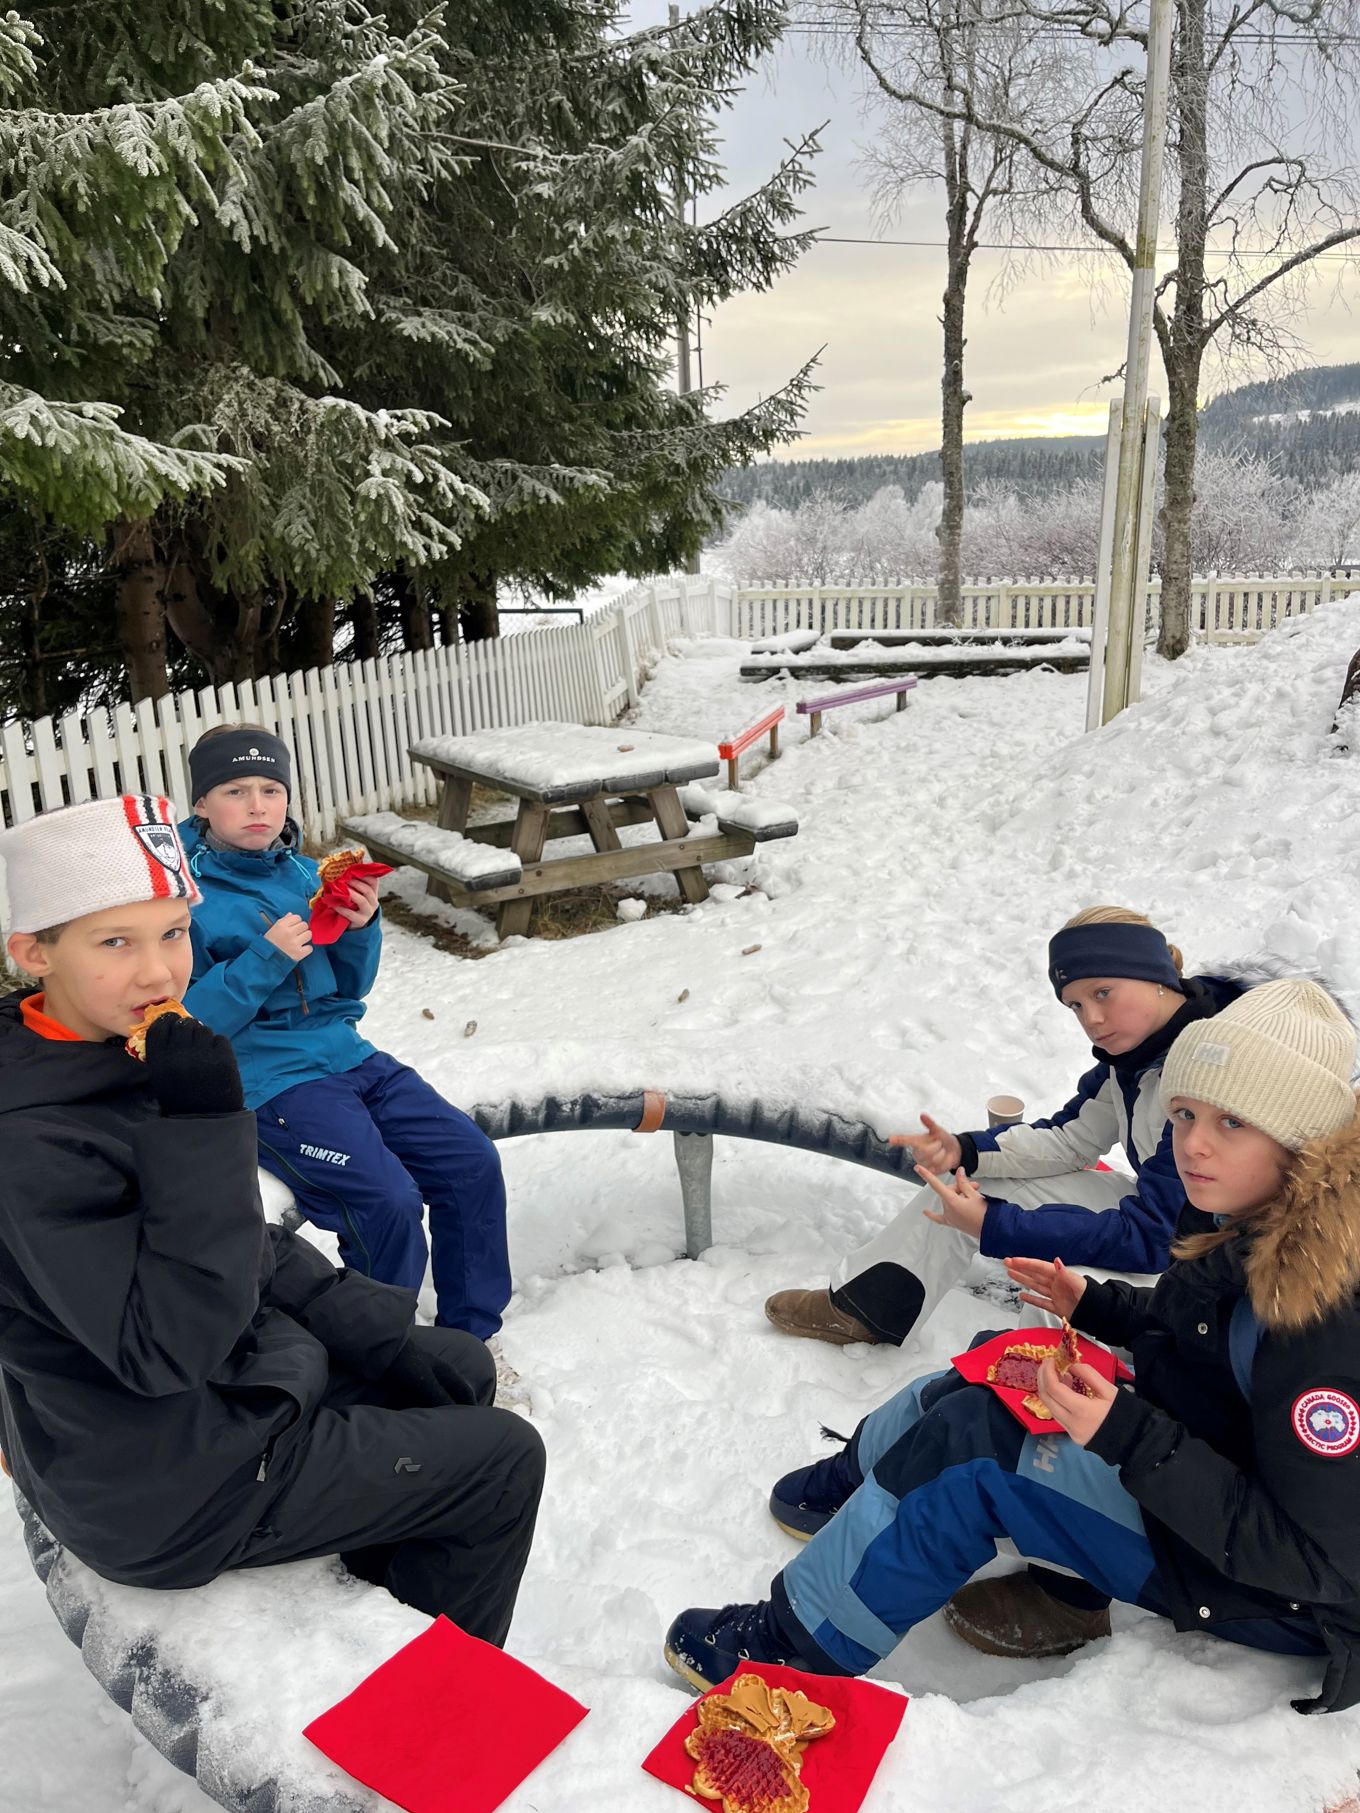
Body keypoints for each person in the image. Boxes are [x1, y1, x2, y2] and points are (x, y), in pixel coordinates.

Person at [665, 979, 1360, 1716]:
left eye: (1233, 1121)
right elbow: (1204, 1326)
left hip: (1277, 1594)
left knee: (978, 1447)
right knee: (1011, 1358)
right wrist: (1099, 1304)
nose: (1193, 1141)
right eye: (1184, 1111)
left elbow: (1318, 1558)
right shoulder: (1261, 1211)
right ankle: (861, 1484)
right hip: (1212, 1460)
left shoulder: (1326, 1321)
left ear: (1303, 1141)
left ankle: (795, 1646)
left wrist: (1124, 1432)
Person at [0, 797, 543, 1644]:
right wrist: (205, 1127)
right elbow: (163, 1345)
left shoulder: (110, 1042)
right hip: (162, 1482)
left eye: (174, 932)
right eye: (117, 942)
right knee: (504, 1460)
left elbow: (229, 1240)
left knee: (450, 1367)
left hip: (209, 1406)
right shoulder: (34, 1137)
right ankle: (425, 1723)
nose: (159, 973)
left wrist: (370, 1325)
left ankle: (381, 1614)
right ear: (33, 952)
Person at [765, 907, 1241, 1349]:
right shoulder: (1137, 1053)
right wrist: (966, 1152)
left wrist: (996, 1224)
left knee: (1061, 1279)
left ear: (1154, 977)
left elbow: (1157, 1238)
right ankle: (864, 1311)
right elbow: (1070, 1137)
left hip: (1222, 1271)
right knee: (963, 1187)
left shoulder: (1214, 1070)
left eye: (1102, 993)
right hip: (1168, 1223)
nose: (1091, 1020)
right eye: (1074, 1005)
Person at [179, 725, 510, 1338]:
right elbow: (190, 1024)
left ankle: (470, 1336)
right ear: (201, 803)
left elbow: (348, 989)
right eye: (235, 790)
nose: (258, 806)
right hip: (266, 1079)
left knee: (470, 1160)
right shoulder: (184, 898)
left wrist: (362, 925)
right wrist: (264, 958)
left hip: (348, 1055)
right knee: (385, 1201)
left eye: (271, 789)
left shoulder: (308, 876)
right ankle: (385, 1349)